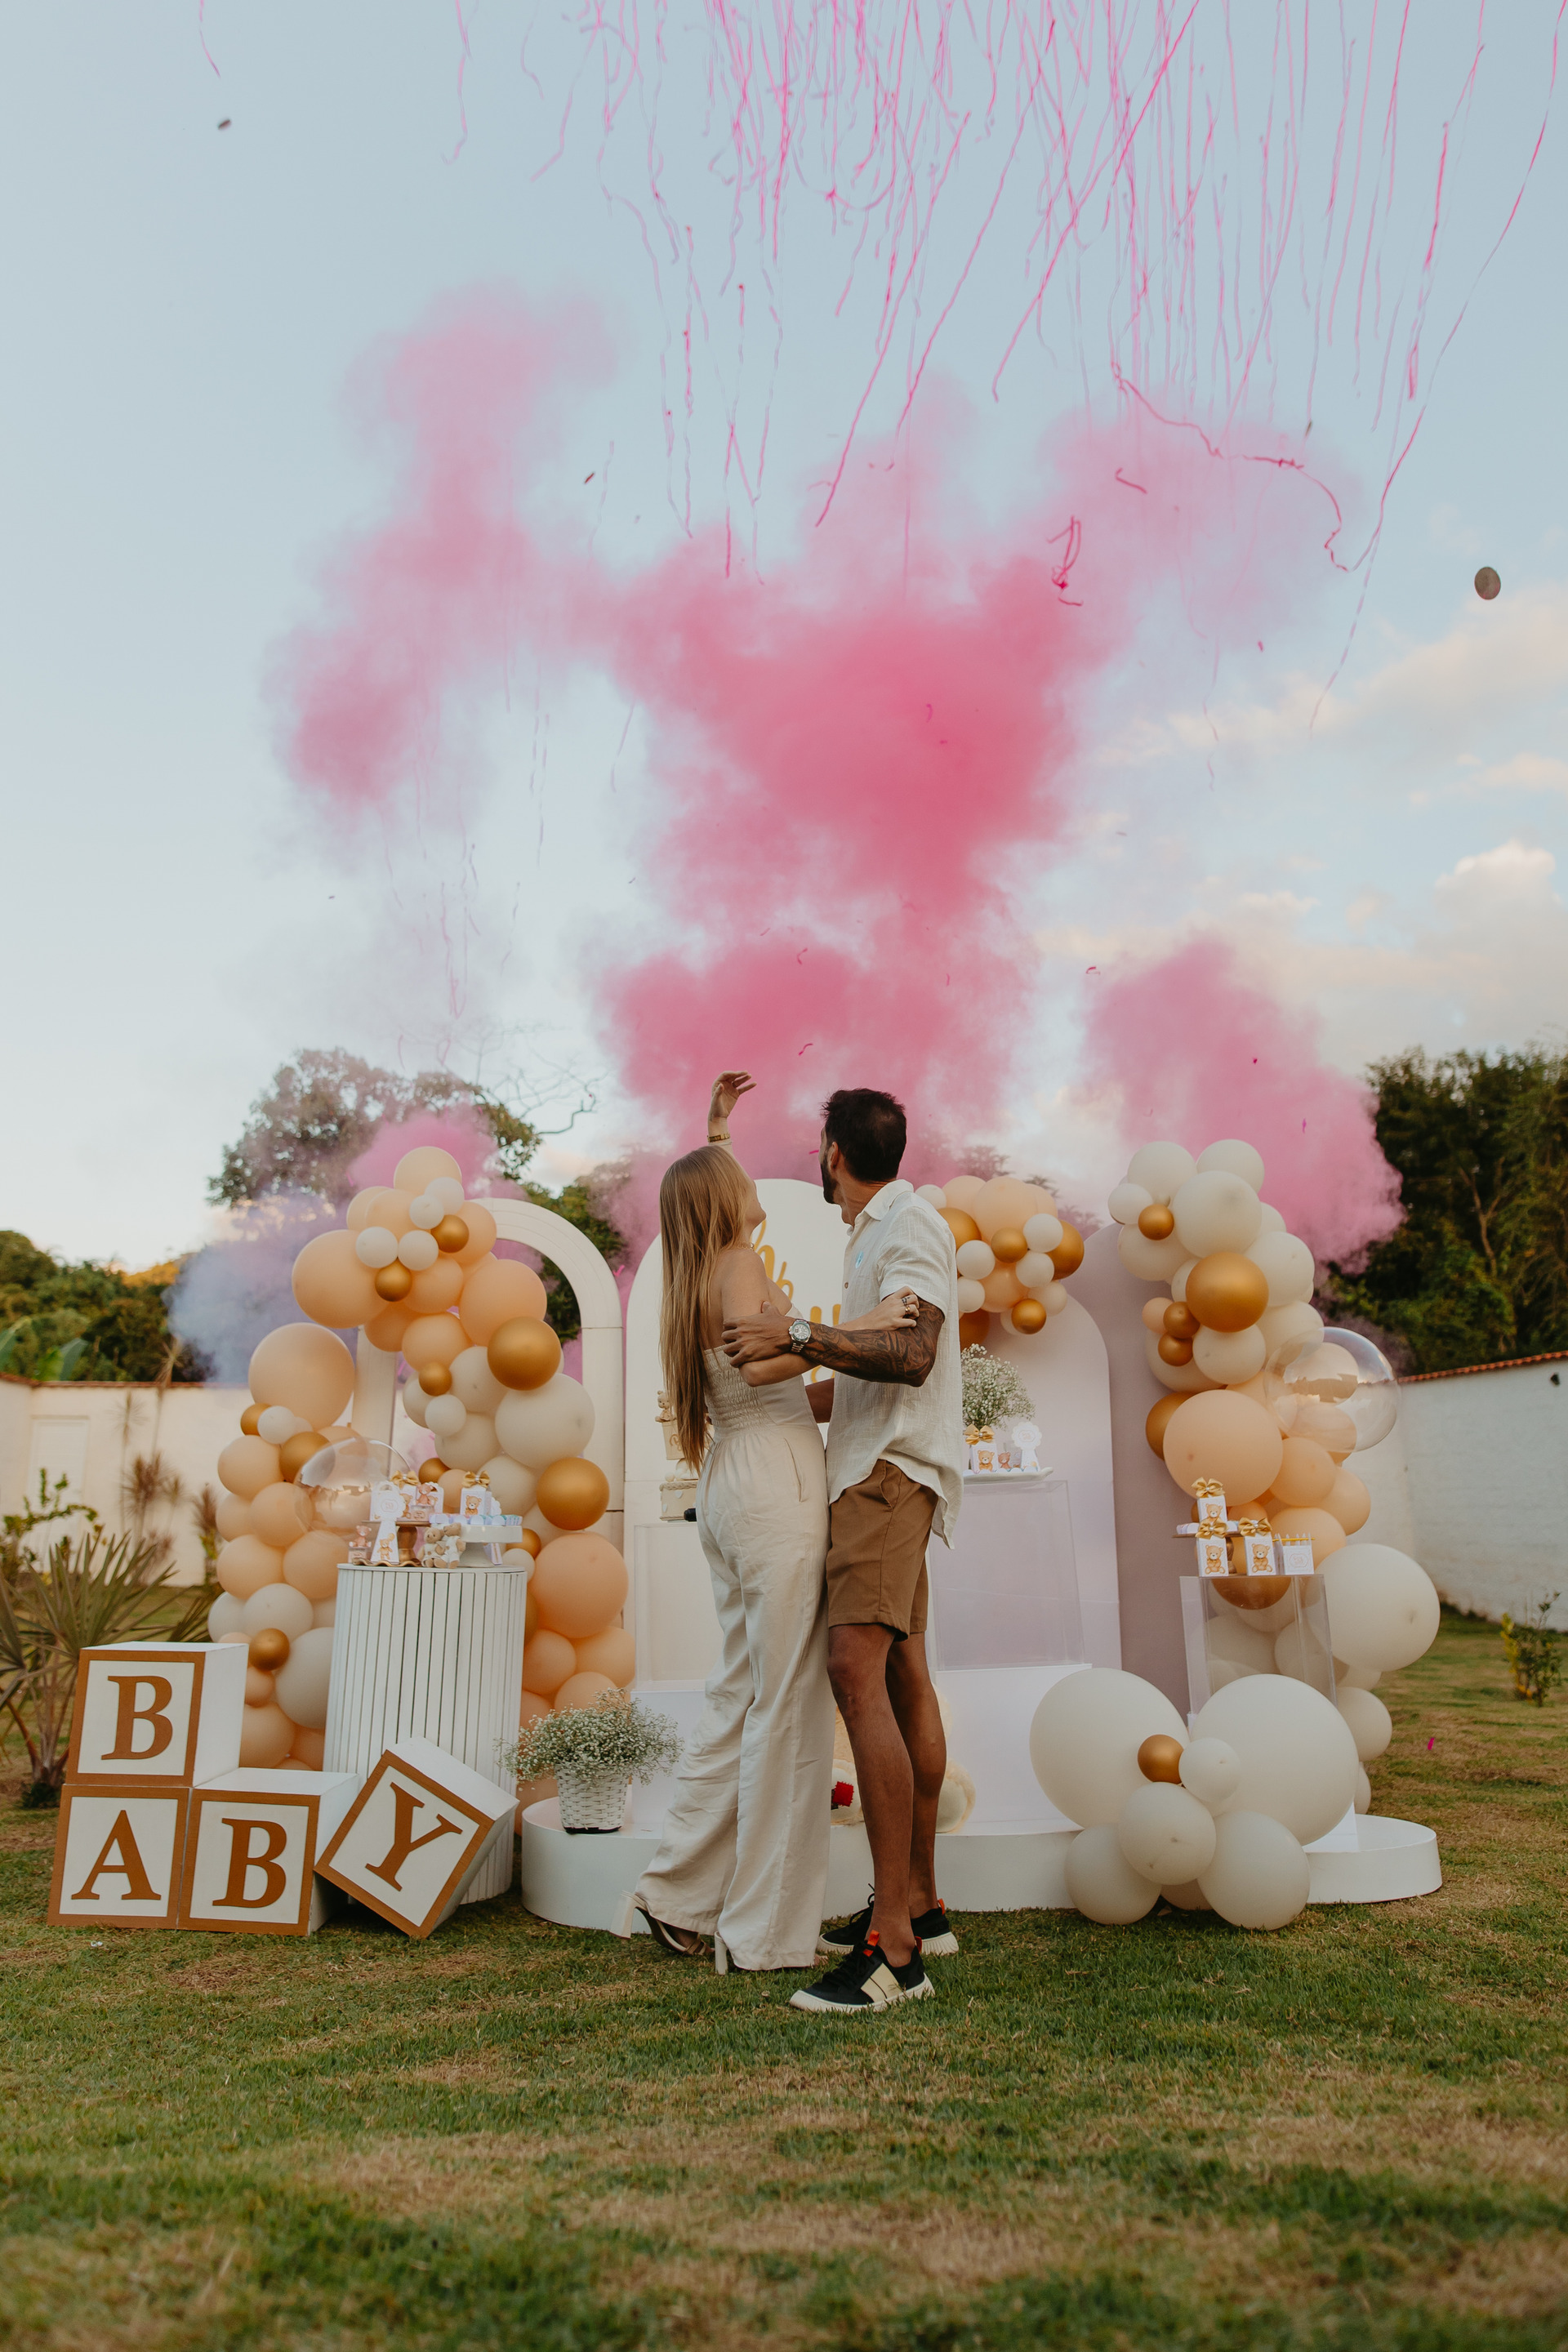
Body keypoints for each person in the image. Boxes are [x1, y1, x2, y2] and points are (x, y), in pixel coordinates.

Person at [632, 1073, 919, 1970]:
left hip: (730, 1484)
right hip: (774, 1489)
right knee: (789, 1708)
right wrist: (866, 1323)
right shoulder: (738, 1264)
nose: (754, 1179)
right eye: (738, 1173)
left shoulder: (695, 1272)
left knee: (738, 1696)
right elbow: (765, 1369)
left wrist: (717, 1126)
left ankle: (678, 1895)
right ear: (725, 1202)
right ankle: (760, 1932)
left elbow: (761, 1362)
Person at [722, 1087, 964, 2018]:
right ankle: (920, 1904)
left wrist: (793, 1334)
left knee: (854, 1672)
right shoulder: (876, 1233)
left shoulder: (909, 1225)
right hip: (882, 1466)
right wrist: (771, 1405)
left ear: (831, 1153)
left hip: (885, 1478)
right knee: (901, 1675)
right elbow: (871, 1376)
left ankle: (892, 1952)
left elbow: (913, 1354)